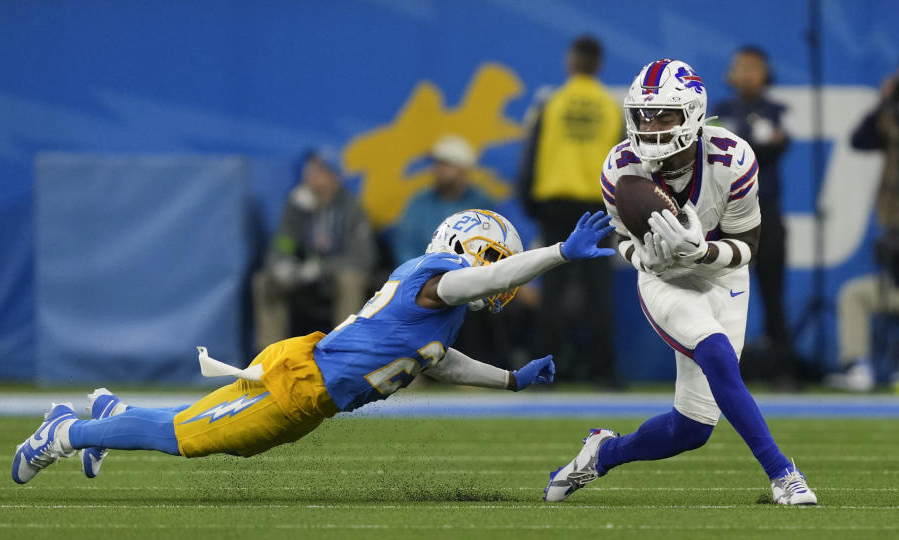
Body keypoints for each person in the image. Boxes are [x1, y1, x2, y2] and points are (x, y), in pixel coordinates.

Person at [11, 209, 616, 484]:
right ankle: (65, 433)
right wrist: (559, 254)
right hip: (300, 383)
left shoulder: (445, 312)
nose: (498, 271)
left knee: (198, 429)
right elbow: (488, 279)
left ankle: (112, 415)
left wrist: (510, 380)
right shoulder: (439, 279)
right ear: (462, 246)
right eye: (492, 255)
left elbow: (437, 361)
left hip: (309, 389)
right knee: (188, 439)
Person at [543, 59, 817, 505]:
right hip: (665, 279)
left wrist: (704, 252)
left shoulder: (732, 158)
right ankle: (783, 473)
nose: (650, 125)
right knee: (718, 355)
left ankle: (602, 453)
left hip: (723, 274)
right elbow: (623, 238)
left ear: (693, 113)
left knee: (691, 429)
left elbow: (748, 242)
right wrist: (644, 256)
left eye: (664, 114)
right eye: (643, 114)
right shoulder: (620, 167)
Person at [517, 36, 624, 385]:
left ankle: (547, 373)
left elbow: (530, 156)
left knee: (554, 291)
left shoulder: (554, 103)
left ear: (570, 61)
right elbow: (625, 163)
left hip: (557, 206)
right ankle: (602, 372)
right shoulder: (610, 107)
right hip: (598, 205)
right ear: (600, 65)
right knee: (598, 293)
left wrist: (530, 202)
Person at [712, 47, 797, 386]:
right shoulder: (720, 112)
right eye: (740, 68)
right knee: (720, 292)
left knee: (773, 291)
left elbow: (773, 147)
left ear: (765, 73)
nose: (746, 74)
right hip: (725, 212)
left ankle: (783, 368)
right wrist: (756, 145)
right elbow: (717, 153)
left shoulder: (777, 111)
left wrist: (744, 146)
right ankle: (722, 368)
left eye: (753, 68)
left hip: (766, 211)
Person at [252, 148, 376, 350]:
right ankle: (269, 359)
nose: (308, 176)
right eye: (309, 170)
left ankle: (343, 352)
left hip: (333, 279)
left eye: (317, 171)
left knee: (350, 280)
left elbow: (362, 257)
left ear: (332, 176)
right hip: (302, 279)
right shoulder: (298, 205)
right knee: (265, 281)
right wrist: (282, 263)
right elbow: (283, 244)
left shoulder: (352, 208)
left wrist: (321, 268)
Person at [826, 68, 899, 391]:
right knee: (854, 295)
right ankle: (859, 367)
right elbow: (860, 139)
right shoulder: (889, 128)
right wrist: (884, 103)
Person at [393, 134, 494, 266]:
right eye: (437, 164)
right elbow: (406, 247)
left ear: (463, 169)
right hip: (424, 277)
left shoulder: (482, 204)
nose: (438, 170)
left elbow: (490, 248)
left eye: (446, 165)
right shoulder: (419, 202)